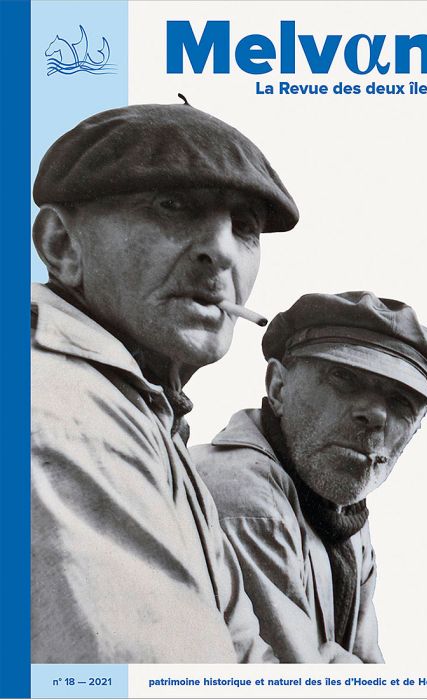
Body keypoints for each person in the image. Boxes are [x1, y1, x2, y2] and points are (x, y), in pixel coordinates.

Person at [31, 101, 299, 663]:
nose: (221, 251)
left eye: (245, 227)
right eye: (171, 206)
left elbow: (245, 660)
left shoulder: (143, 412)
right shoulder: (60, 407)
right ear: (62, 245)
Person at [193, 291, 427, 663]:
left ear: (416, 428)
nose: (376, 415)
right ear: (278, 387)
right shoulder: (247, 497)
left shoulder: (342, 512)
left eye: (401, 402)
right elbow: (304, 683)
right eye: (344, 378)